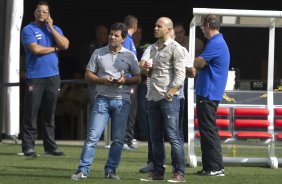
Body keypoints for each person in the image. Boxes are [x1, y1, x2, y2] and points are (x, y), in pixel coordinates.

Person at [71, 22, 141, 180]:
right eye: (111, 34)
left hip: (122, 101)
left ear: (123, 39)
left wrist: (124, 80)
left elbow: (138, 78)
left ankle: (110, 171)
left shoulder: (130, 55)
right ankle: (82, 170)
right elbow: (88, 75)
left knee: (118, 139)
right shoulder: (98, 52)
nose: (112, 37)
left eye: (116, 35)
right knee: (92, 137)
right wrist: (102, 80)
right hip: (102, 99)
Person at [140, 17, 186, 182]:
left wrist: (172, 91)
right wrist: (146, 70)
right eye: (155, 25)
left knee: (173, 136)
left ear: (168, 29)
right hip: (152, 97)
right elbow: (151, 73)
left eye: (159, 26)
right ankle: (158, 173)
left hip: (168, 99)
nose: (155, 28)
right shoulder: (153, 48)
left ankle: (179, 173)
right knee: (155, 138)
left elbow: (181, 73)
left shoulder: (176, 48)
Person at [20, 1, 69, 156]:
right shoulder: (28, 29)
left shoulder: (54, 29)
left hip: (53, 77)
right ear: (34, 13)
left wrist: (52, 29)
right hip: (35, 77)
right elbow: (35, 49)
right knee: (31, 112)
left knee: (50, 113)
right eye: (39, 12)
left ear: (49, 14)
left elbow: (65, 45)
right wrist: (55, 48)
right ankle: (28, 146)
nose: (42, 14)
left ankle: (50, 147)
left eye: (45, 12)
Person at [194, 14, 230, 176]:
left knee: (208, 130)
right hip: (208, 93)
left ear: (208, 25)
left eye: (202, 25)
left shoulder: (216, 43)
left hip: (208, 93)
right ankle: (210, 166)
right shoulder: (216, 42)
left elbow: (198, 63)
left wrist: (197, 61)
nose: (202, 28)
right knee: (207, 130)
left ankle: (215, 167)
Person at [122, 15, 139, 150]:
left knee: (131, 110)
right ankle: (126, 139)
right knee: (129, 110)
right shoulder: (127, 40)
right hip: (128, 81)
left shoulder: (129, 39)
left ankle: (127, 137)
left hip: (129, 80)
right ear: (135, 26)